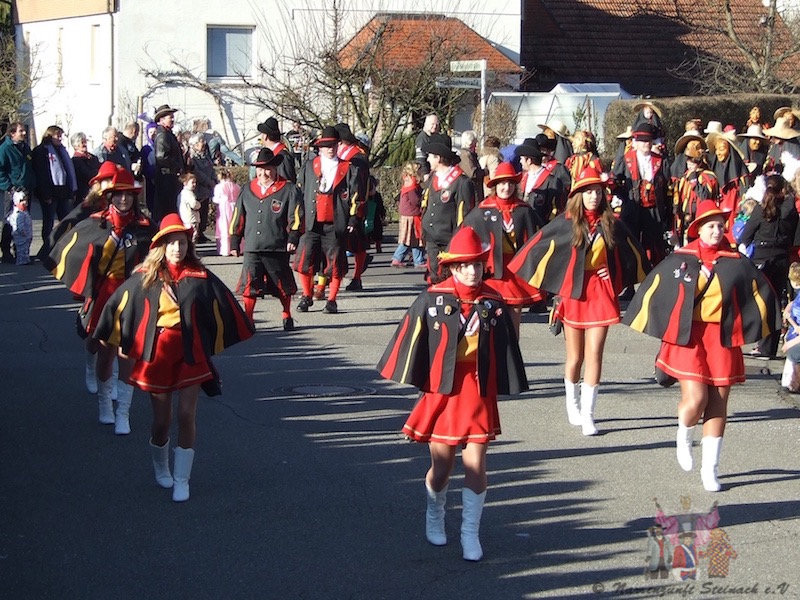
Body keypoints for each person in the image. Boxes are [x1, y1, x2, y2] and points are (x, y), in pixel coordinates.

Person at [377, 226, 528, 562]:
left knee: (476, 463)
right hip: (443, 392)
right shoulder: (432, 299)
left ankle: (469, 533)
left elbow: (506, 346)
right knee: (442, 466)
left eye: (478, 264)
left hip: (477, 391)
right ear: (453, 267)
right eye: (466, 265)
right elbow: (412, 343)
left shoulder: (493, 301)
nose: (473, 271)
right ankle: (435, 514)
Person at [93, 213, 254, 502]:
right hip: (159, 353)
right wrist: (109, 335)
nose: (177, 248)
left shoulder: (200, 275)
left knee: (187, 414)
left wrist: (218, 335)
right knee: (162, 422)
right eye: (171, 243)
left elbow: (224, 304)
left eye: (182, 242)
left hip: (190, 352)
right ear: (161, 246)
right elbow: (119, 306)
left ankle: (183, 479)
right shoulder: (145, 276)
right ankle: (161, 467)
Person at [623, 201, 781, 491]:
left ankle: (711, 469)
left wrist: (755, 325)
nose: (717, 231)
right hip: (689, 337)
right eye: (711, 226)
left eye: (720, 226)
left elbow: (760, 291)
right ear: (698, 229)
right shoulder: (681, 258)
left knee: (718, 404)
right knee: (696, 399)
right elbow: (657, 288)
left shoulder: (736, 260)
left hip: (722, 339)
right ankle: (684, 434)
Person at [510, 167, 650, 435]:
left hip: (600, 293)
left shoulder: (612, 223)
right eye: (588, 192)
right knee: (575, 357)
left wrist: (612, 272)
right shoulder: (565, 222)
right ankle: (572, 404)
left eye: (597, 192)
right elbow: (539, 247)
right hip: (573, 293)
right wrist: (554, 283)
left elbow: (632, 253)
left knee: (595, 354)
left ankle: (589, 414)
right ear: (578, 195)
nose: (593, 196)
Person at [43, 169, 157, 434]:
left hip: (133, 296)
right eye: (118, 195)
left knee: (127, 354)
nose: (123, 200)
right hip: (104, 295)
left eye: (128, 195)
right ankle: (104, 402)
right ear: (110, 196)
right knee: (103, 352)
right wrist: (84, 283)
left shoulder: (145, 226)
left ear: (134, 197)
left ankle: (123, 412)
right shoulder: (96, 223)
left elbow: (158, 255)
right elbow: (70, 244)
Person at [461, 161, 543, 334]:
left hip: (516, 272)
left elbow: (538, 239)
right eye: (502, 183)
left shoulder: (524, 210)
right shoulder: (482, 211)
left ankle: (512, 351)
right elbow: (465, 235)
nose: (506, 188)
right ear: (495, 186)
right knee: (490, 322)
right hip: (492, 273)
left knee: (513, 325)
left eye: (510, 183)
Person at [229, 147, 302, 330]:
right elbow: (238, 216)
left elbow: (296, 217)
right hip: (253, 246)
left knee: (282, 284)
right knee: (249, 283)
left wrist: (293, 238)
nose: (263, 173)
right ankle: (248, 319)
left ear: (275, 169)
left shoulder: (289, 189)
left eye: (268, 169)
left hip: (277, 246)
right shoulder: (247, 189)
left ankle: (286, 314)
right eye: (260, 169)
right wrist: (235, 240)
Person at [293, 126, 363, 314]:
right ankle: (306, 295)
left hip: (335, 223)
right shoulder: (310, 166)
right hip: (312, 222)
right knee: (305, 261)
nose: (330, 149)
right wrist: (297, 220)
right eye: (326, 146)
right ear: (320, 147)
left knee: (335, 264)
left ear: (338, 145)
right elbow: (299, 194)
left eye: (333, 145)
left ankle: (332, 300)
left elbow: (356, 197)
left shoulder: (348, 168)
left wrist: (353, 220)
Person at [739, 174, 798, 359]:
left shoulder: (761, 209)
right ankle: (769, 348)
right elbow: (796, 238)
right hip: (781, 259)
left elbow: (745, 236)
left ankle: (758, 342)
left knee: (760, 302)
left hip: (761, 260)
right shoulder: (791, 212)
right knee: (775, 302)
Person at [420, 134, 477, 283]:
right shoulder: (433, 178)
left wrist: (457, 241)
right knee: (433, 278)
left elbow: (465, 216)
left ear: (438, 158)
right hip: (431, 239)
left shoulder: (462, 182)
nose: (427, 160)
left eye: (430, 156)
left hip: (449, 241)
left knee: (449, 280)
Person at [613, 123, 671, 266]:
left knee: (655, 245)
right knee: (631, 244)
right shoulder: (626, 159)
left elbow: (667, 187)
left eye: (649, 140)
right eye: (643, 140)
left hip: (654, 209)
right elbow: (615, 181)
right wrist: (626, 198)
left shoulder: (661, 160)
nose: (646, 143)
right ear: (636, 142)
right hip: (632, 208)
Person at [32, 125, 77, 257]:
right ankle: (46, 251)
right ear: (50, 135)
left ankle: (62, 247)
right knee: (48, 222)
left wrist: (71, 190)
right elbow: (41, 174)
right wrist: (46, 194)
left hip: (63, 191)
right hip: (50, 192)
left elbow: (67, 171)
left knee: (66, 221)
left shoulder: (62, 150)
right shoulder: (41, 151)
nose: (60, 138)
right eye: (58, 135)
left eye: (61, 135)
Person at [672, 132, 719, 246]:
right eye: (687, 159)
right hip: (685, 222)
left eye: (692, 159)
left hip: (701, 221)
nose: (689, 162)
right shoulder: (684, 177)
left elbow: (705, 197)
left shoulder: (709, 177)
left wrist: (694, 180)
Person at [0, 122, 36, 263]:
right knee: (11, 221)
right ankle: (6, 251)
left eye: (24, 130)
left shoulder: (25, 147)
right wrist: (9, 187)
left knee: (23, 222)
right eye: (21, 131)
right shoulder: (5, 149)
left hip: (26, 190)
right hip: (13, 191)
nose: (24, 133)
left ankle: (20, 251)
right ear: (12, 133)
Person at [516, 138, 565, 226]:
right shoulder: (523, 179)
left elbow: (555, 211)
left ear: (529, 160)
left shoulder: (551, 181)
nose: (520, 161)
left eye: (521, 158)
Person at [153, 104, 184, 223]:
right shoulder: (163, 135)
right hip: (166, 179)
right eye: (170, 117)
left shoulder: (168, 134)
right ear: (161, 120)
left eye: (172, 117)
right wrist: (177, 167)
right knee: (166, 209)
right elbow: (161, 156)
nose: (172, 119)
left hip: (170, 178)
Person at [391, 162, 425, 268]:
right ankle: (398, 258)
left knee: (412, 239)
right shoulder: (412, 185)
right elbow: (415, 200)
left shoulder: (407, 181)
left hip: (407, 214)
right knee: (413, 238)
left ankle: (417, 260)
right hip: (412, 214)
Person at [186, 133, 218, 242]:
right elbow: (196, 172)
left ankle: (202, 232)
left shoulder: (205, 156)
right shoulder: (192, 158)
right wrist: (208, 181)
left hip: (206, 190)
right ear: (194, 144)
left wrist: (214, 179)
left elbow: (211, 168)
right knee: (198, 212)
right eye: (200, 141)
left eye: (203, 141)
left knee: (204, 211)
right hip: (199, 189)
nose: (203, 143)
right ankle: (197, 232)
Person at [212, 169, 240, 256]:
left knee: (224, 226)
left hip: (224, 208)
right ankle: (237, 247)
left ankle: (225, 249)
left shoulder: (219, 187)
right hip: (234, 207)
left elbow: (216, 199)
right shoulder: (236, 186)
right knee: (233, 226)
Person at [69, 132, 101, 205]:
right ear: (75, 145)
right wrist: (99, 172)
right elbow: (87, 174)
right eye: (82, 142)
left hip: (97, 191)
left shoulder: (93, 157)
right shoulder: (76, 160)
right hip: (84, 194)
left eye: (85, 141)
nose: (85, 144)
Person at [458, 130, 484, 202]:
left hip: (475, 190)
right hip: (472, 192)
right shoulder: (466, 155)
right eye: (475, 142)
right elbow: (473, 174)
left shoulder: (470, 154)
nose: (476, 145)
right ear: (470, 142)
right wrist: (484, 172)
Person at [8, 189, 33, 265]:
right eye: (22, 201)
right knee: (21, 249)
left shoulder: (24, 212)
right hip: (21, 236)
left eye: (26, 200)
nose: (25, 202)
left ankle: (26, 259)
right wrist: (23, 232)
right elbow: (18, 225)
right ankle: (21, 261)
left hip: (26, 235)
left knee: (26, 249)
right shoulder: (18, 214)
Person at [178, 173, 200, 242]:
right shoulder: (189, 193)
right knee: (193, 236)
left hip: (184, 218)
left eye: (195, 182)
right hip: (191, 218)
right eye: (192, 182)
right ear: (185, 183)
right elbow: (194, 204)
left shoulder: (182, 193)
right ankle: (192, 248)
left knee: (187, 236)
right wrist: (199, 204)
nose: (194, 184)